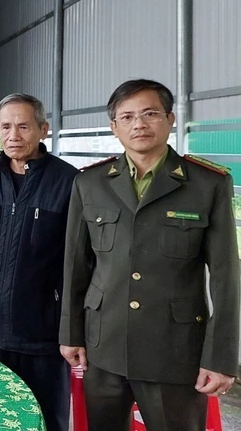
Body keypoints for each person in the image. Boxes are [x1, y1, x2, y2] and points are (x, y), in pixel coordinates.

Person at [59, 79, 240, 431]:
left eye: (150, 114)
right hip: (104, 346)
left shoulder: (207, 184)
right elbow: (75, 265)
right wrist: (70, 332)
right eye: (127, 117)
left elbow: (225, 277)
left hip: (174, 351)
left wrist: (221, 357)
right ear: (114, 127)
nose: (138, 124)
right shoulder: (90, 183)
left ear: (170, 119)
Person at [0, 93, 78, 431]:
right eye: (5, 127)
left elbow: (79, 262)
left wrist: (71, 327)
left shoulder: (69, 183)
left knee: (46, 420)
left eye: (23, 126)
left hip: (42, 335)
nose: (13, 135)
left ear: (43, 129)